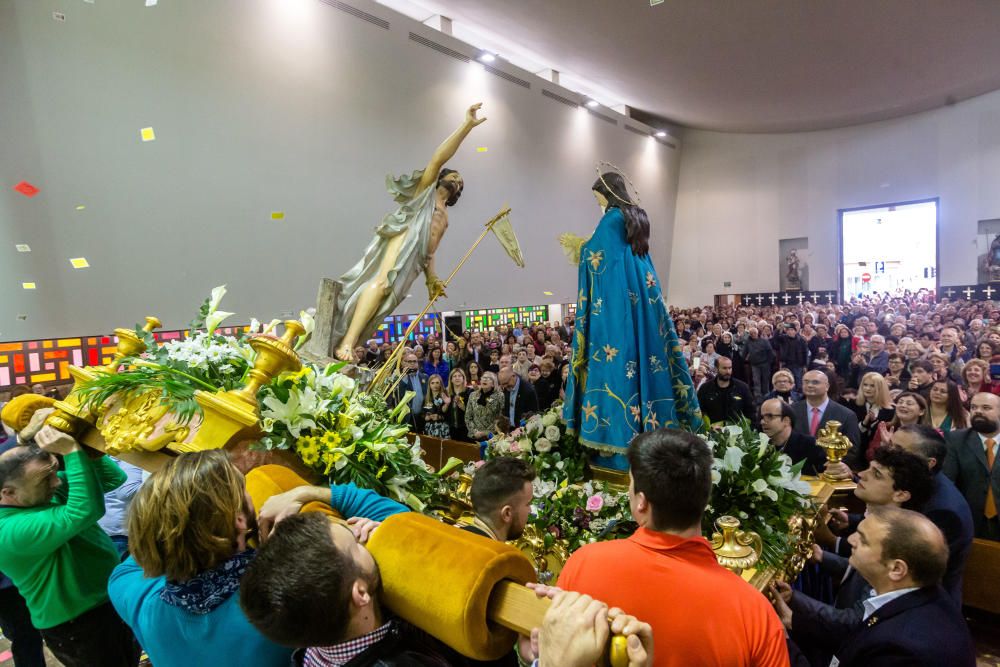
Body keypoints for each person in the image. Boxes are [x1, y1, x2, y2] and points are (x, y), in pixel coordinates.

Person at [556, 429, 789, 667]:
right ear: (705, 498)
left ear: (641, 502)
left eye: (631, 484)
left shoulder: (584, 563)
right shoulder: (754, 612)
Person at [561, 171, 702, 470]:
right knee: (646, 360)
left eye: (598, 197)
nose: (597, 203)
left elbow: (596, 255)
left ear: (606, 193)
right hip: (641, 296)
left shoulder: (612, 218)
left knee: (619, 363)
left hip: (620, 304)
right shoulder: (635, 216)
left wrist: (580, 247)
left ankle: (619, 448)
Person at [331, 103, 486, 361]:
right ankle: (345, 342)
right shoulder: (425, 194)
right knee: (381, 284)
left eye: (460, 183)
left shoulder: (445, 216)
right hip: (405, 241)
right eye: (455, 176)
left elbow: (431, 250)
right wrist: (466, 126)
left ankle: (352, 343)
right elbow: (439, 157)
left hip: (417, 259)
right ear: (441, 178)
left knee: (385, 305)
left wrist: (431, 279)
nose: (458, 182)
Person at [0, 429, 138, 667]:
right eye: (45, 479)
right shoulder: (9, 530)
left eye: (55, 470)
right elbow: (85, 510)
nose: (57, 481)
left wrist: (85, 450)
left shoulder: (41, 495)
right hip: (80, 625)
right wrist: (72, 452)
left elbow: (112, 479)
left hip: (108, 603)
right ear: (8, 493)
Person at [773, 507, 975, 667]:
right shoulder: (928, 596)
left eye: (863, 540)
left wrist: (784, 644)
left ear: (896, 569)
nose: (851, 540)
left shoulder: (898, 650)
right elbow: (854, 630)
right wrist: (795, 620)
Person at [892, 425, 974, 604]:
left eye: (899, 450)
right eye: (890, 445)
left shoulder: (942, 509)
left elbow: (909, 563)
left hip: (926, 602)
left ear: (929, 462)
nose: (889, 454)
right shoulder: (919, 483)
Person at [943, 391, 1000, 540]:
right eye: (974, 407)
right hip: (969, 520)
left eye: (986, 408)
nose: (978, 411)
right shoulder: (956, 440)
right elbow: (947, 482)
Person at [791, 370, 862, 468]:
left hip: (830, 471)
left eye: (815, 382)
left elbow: (852, 448)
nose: (810, 385)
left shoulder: (847, 415)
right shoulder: (791, 410)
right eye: (806, 382)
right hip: (795, 470)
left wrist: (837, 466)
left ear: (827, 386)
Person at [460, 457, 535, 541]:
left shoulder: (445, 537)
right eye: (528, 504)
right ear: (507, 513)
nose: (530, 510)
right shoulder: (500, 554)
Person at [758, 399, 827, 476]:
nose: (763, 422)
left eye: (769, 416)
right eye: (762, 417)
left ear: (786, 421)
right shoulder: (759, 445)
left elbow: (826, 472)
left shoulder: (810, 445)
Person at [98, 457, 148, 557]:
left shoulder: (107, 453)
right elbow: (127, 491)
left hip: (104, 526)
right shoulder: (129, 452)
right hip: (115, 530)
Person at [697, 356, 754, 426]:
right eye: (724, 368)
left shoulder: (742, 388)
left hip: (737, 431)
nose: (728, 371)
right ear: (716, 369)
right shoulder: (705, 389)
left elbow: (751, 412)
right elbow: (700, 412)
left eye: (730, 368)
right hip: (712, 431)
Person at [849, 372, 895, 453]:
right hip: (854, 450)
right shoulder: (854, 404)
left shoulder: (890, 411)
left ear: (880, 388)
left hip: (876, 453)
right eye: (865, 385)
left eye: (872, 386)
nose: (867, 388)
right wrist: (864, 424)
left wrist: (873, 423)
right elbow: (850, 431)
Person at [391, 351, 429, 433]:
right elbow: (399, 396)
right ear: (403, 363)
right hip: (407, 417)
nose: (412, 364)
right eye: (409, 361)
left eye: (414, 361)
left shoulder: (424, 377)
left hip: (421, 415)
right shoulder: (398, 379)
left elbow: (427, 396)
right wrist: (404, 377)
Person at [465, 371, 504, 441]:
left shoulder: (500, 396)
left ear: (493, 384)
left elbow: (500, 417)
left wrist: (485, 432)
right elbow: (468, 417)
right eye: (483, 378)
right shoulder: (473, 395)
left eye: (489, 378)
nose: (485, 379)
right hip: (474, 435)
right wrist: (475, 431)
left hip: (491, 436)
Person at [744, 326, 777, 400]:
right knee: (756, 381)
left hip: (765, 364)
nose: (753, 334)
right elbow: (744, 352)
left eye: (754, 333)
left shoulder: (764, 341)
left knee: (765, 380)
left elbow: (770, 352)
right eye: (751, 333)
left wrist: (769, 362)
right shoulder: (748, 342)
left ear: (757, 333)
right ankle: (758, 396)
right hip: (754, 364)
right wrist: (744, 360)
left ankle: (766, 395)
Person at [421, 374, 451, 439]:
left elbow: (448, 414)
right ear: (429, 385)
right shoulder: (426, 398)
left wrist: (439, 417)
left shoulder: (445, 396)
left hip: (442, 428)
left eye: (437, 383)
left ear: (441, 384)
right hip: (429, 428)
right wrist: (426, 417)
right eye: (432, 383)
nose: (435, 385)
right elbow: (422, 413)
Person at [446, 367, 472, 442]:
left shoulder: (469, 392)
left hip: (466, 428)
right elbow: (443, 412)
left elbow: (473, 412)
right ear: (451, 379)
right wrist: (446, 404)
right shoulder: (447, 392)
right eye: (454, 376)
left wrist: (463, 407)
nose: (457, 378)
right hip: (451, 428)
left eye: (459, 376)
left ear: (463, 378)